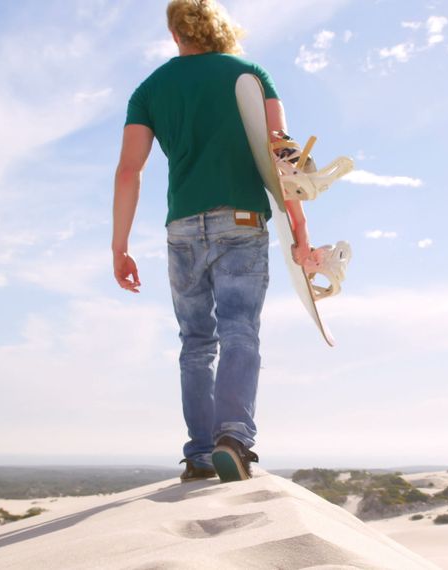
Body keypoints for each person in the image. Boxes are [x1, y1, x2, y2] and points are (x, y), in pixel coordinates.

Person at [111, 0, 310, 483]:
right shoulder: (250, 75)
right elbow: (282, 159)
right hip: (241, 221)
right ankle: (233, 440)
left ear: (175, 34)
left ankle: (200, 454)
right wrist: (301, 233)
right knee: (239, 329)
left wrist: (119, 247)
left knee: (195, 344)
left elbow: (128, 171)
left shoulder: (150, 89)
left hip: (181, 229)